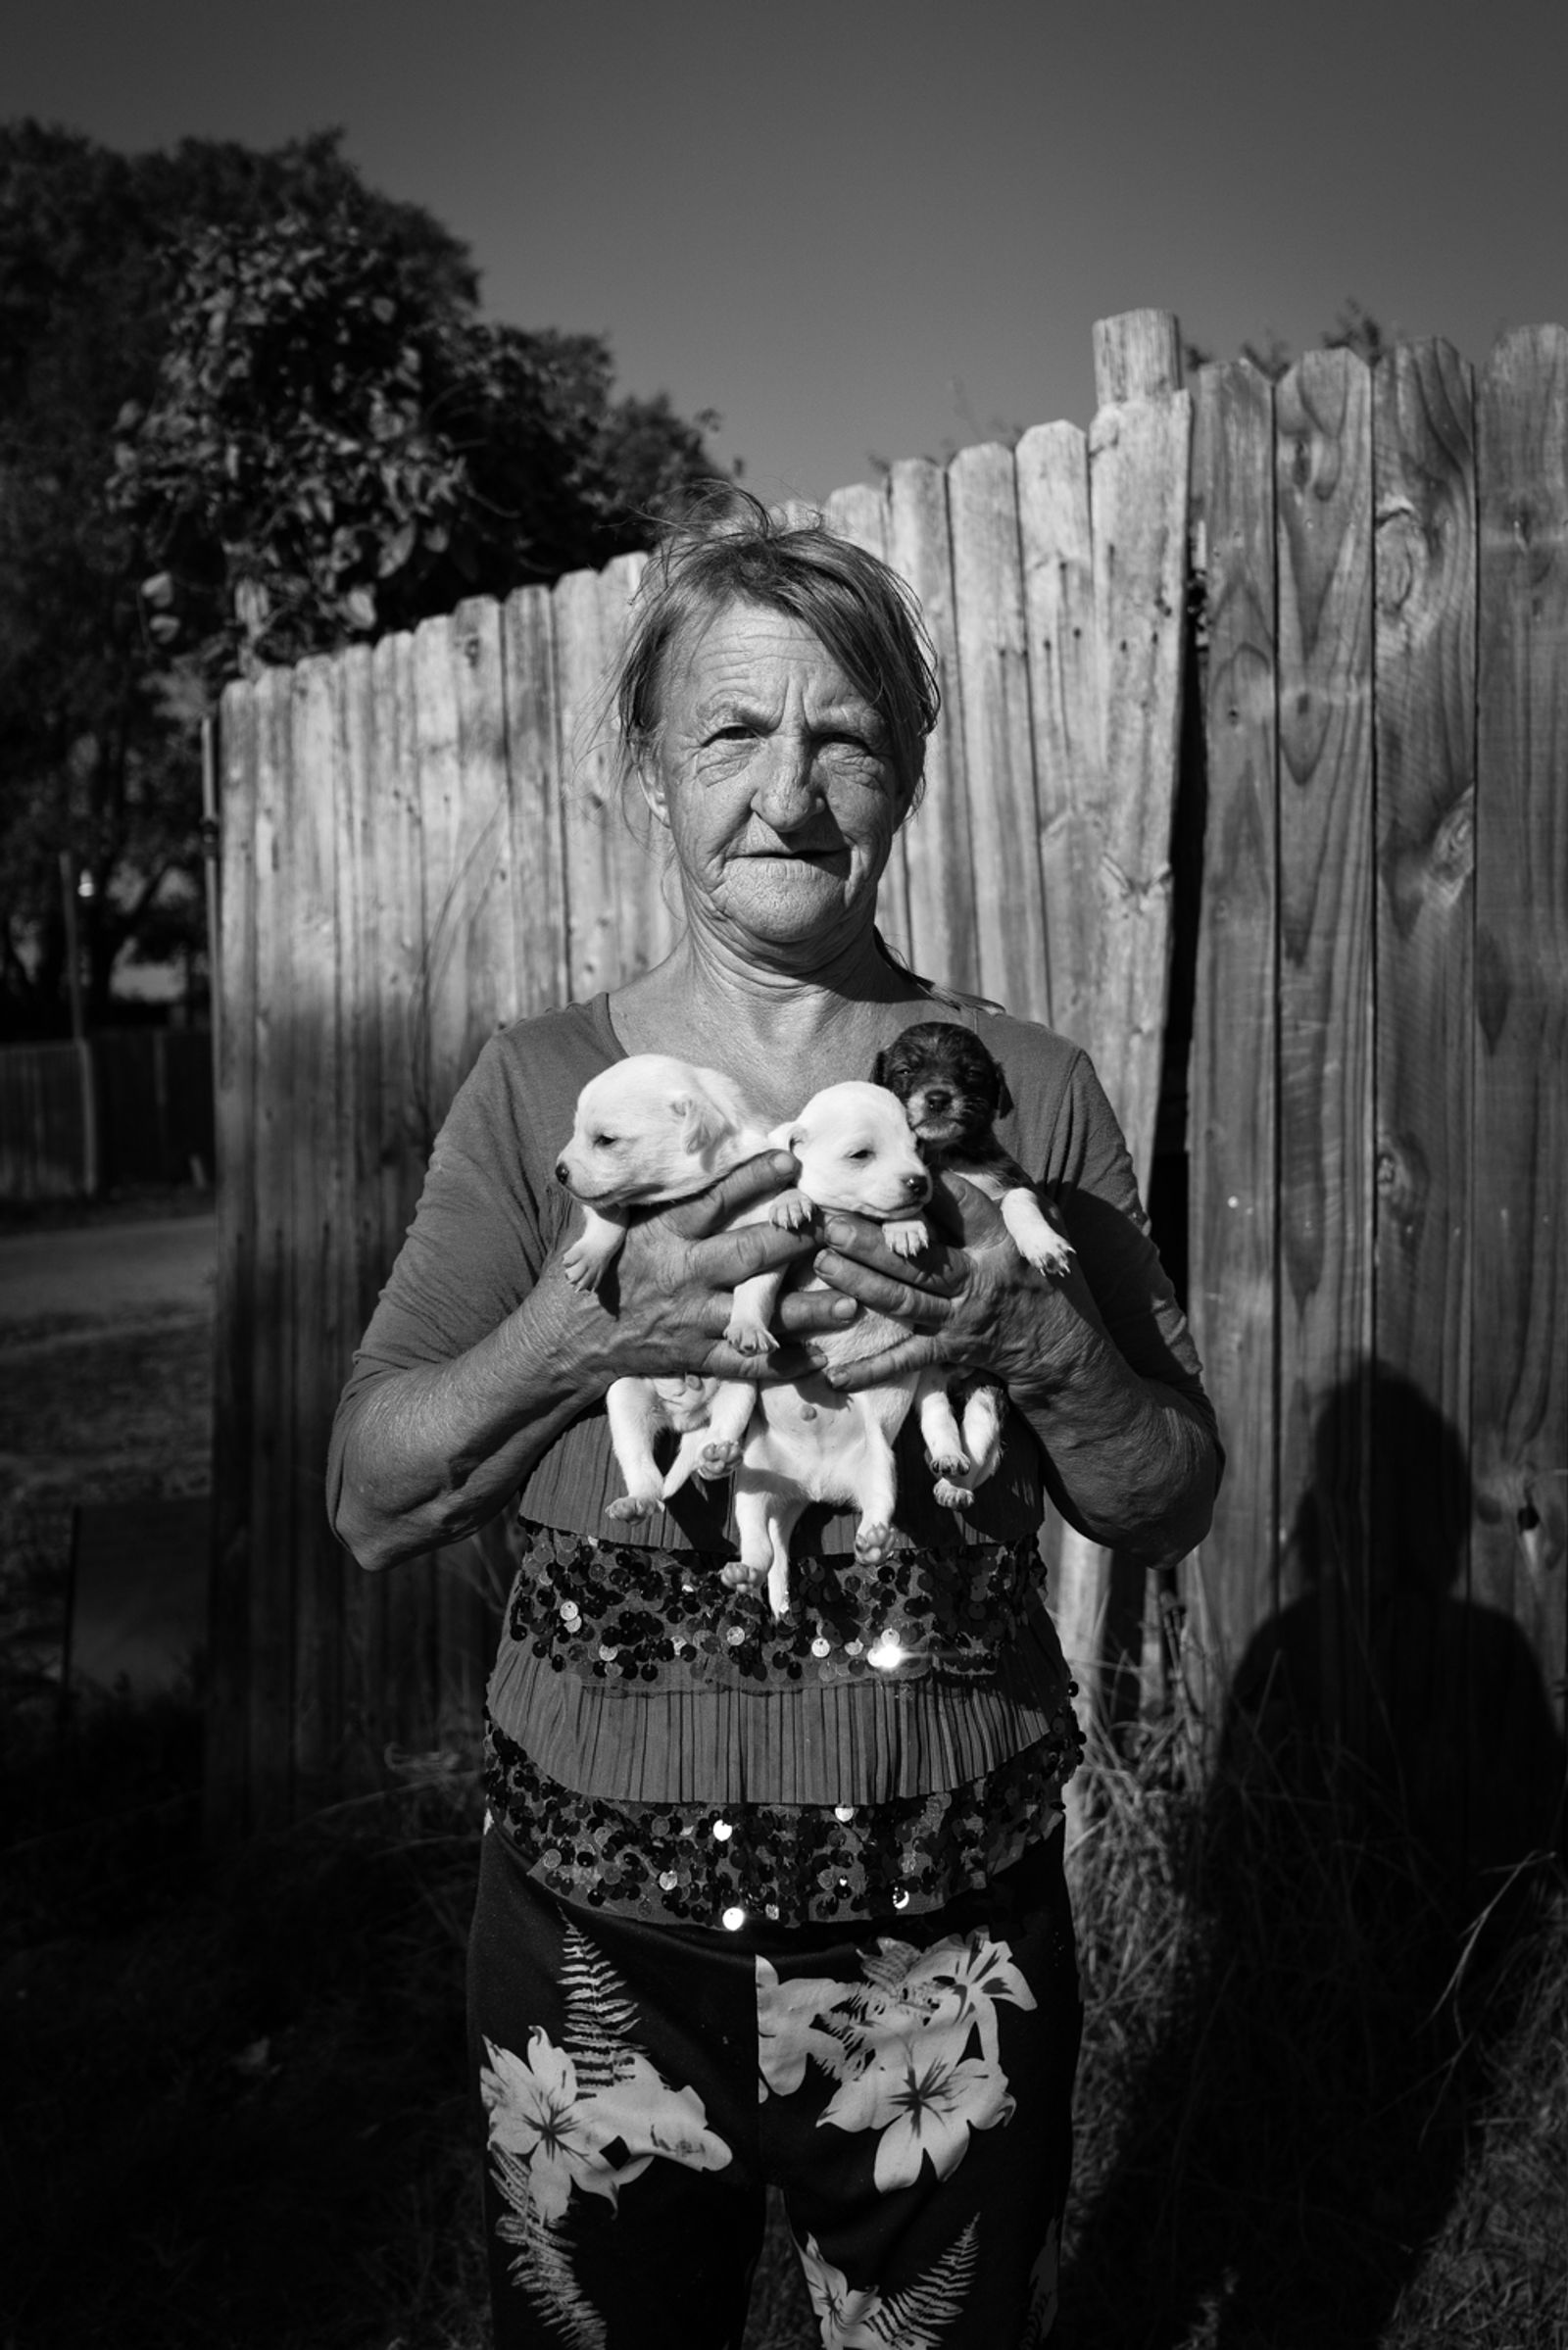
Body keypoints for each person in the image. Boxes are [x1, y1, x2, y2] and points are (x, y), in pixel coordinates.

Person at [328, 488, 1219, 2349]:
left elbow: (1166, 1496)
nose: (789, 792)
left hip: (942, 1955)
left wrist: (1041, 1341)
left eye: (846, 738)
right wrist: (586, 1329)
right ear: (651, 772)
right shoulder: (548, 1098)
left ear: (907, 776)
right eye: (731, 731)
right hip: (592, 1954)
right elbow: (373, 1495)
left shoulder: (1019, 1095)